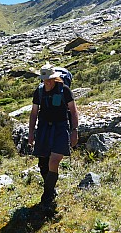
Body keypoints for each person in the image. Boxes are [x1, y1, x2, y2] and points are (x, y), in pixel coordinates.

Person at [28, 62, 79, 210]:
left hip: (60, 127)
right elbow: (33, 114)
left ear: (55, 78)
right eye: (45, 80)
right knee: (43, 163)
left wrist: (74, 130)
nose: (48, 82)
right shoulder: (38, 92)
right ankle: (51, 189)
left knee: (54, 160)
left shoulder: (65, 90)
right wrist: (31, 133)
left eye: (50, 79)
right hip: (44, 127)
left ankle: (47, 195)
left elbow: (73, 111)